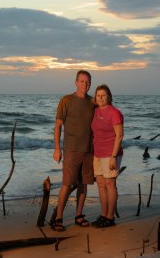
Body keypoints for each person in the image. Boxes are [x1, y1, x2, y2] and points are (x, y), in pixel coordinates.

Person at [52, 70, 95, 231]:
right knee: (67, 184)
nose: (85, 84)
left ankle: (78, 215)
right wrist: (57, 149)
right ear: (76, 82)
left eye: (88, 82)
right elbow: (57, 126)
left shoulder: (93, 102)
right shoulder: (66, 100)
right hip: (71, 149)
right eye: (82, 81)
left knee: (84, 184)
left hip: (89, 151)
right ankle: (58, 217)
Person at [91, 84, 124, 227]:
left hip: (111, 153)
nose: (101, 98)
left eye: (103, 95)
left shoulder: (114, 112)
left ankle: (110, 218)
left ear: (109, 97)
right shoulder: (95, 111)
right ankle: (104, 215)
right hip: (97, 153)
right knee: (100, 184)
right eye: (98, 95)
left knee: (110, 184)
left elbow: (120, 135)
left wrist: (113, 156)